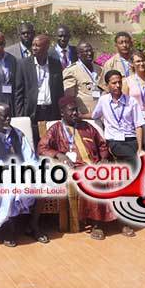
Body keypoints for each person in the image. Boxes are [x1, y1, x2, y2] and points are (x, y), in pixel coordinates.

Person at [38, 96, 125, 239]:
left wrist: (103, 159)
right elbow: (42, 147)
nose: (75, 113)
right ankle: (98, 224)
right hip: (77, 167)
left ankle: (122, 221)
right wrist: (59, 155)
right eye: (71, 111)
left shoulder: (87, 126)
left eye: (76, 110)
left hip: (96, 164)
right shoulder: (56, 129)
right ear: (62, 113)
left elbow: (102, 144)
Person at [0, 103, 49, 246]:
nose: (8, 120)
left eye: (9, 116)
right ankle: (8, 229)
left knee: (41, 182)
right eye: (4, 117)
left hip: (21, 170)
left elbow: (30, 157)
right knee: (10, 187)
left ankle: (33, 225)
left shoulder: (17, 133)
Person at [15, 34, 64, 145]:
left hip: (51, 111)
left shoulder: (55, 64)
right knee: (32, 141)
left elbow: (60, 90)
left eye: (37, 45)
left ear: (46, 47)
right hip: (32, 111)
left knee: (50, 142)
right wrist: (20, 116)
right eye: (33, 45)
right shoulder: (23, 64)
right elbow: (18, 93)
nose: (34, 48)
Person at [92, 70, 145, 168]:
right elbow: (94, 115)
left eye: (119, 82)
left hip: (131, 139)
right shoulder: (103, 101)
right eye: (114, 83)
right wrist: (80, 116)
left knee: (138, 158)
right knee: (133, 161)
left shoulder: (131, 101)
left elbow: (138, 125)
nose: (118, 85)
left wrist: (140, 148)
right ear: (107, 85)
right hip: (114, 140)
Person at [123, 50, 145, 178]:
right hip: (134, 127)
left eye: (143, 60)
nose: (141, 63)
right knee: (137, 161)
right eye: (138, 61)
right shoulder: (127, 81)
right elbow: (124, 106)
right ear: (132, 64)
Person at [63, 42, 103, 117]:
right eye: (86, 51)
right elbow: (69, 98)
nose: (89, 53)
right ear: (78, 54)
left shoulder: (100, 69)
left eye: (91, 50)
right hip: (85, 116)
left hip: (101, 114)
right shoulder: (72, 71)